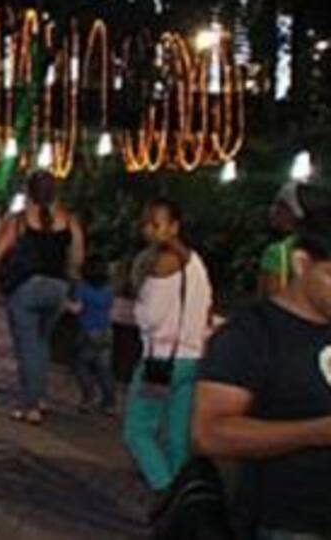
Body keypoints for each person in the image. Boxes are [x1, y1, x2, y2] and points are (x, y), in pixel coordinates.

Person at [192, 225, 331, 539]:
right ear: (301, 263)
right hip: (288, 522)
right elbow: (210, 433)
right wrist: (317, 432)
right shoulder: (250, 335)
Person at [122, 199, 213, 494]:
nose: (149, 230)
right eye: (146, 223)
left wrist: (138, 303)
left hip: (160, 363)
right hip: (192, 359)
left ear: (174, 226)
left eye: (156, 224)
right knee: (177, 437)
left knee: (138, 431)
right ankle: (185, 498)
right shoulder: (196, 262)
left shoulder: (162, 263)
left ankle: (168, 492)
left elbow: (149, 318)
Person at [0, 170, 85, 424]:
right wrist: (73, 288)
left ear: (29, 192)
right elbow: (76, 259)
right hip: (57, 288)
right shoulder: (69, 220)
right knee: (42, 343)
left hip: (26, 287)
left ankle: (30, 404)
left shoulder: (19, 221)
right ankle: (39, 395)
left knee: (27, 346)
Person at [65, 252, 117, 416]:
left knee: (81, 365)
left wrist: (65, 303)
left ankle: (88, 396)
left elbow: (77, 308)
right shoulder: (108, 289)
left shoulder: (82, 288)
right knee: (104, 368)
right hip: (106, 331)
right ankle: (109, 401)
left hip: (88, 331)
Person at [258, 181, 306, 298]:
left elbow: (268, 298)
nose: (273, 210)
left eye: (280, 205)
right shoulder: (321, 247)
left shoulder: (277, 252)